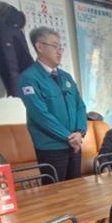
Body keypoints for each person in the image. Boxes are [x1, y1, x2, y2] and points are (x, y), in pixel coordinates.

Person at [17, 26, 86, 182]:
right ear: (39, 47)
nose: (59, 52)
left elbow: (80, 106)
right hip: (51, 148)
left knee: (77, 190)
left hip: (74, 144)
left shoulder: (66, 77)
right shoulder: (29, 78)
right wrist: (68, 137)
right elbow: (40, 115)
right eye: (55, 46)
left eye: (60, 47)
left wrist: (80, 132)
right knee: (55, 193)